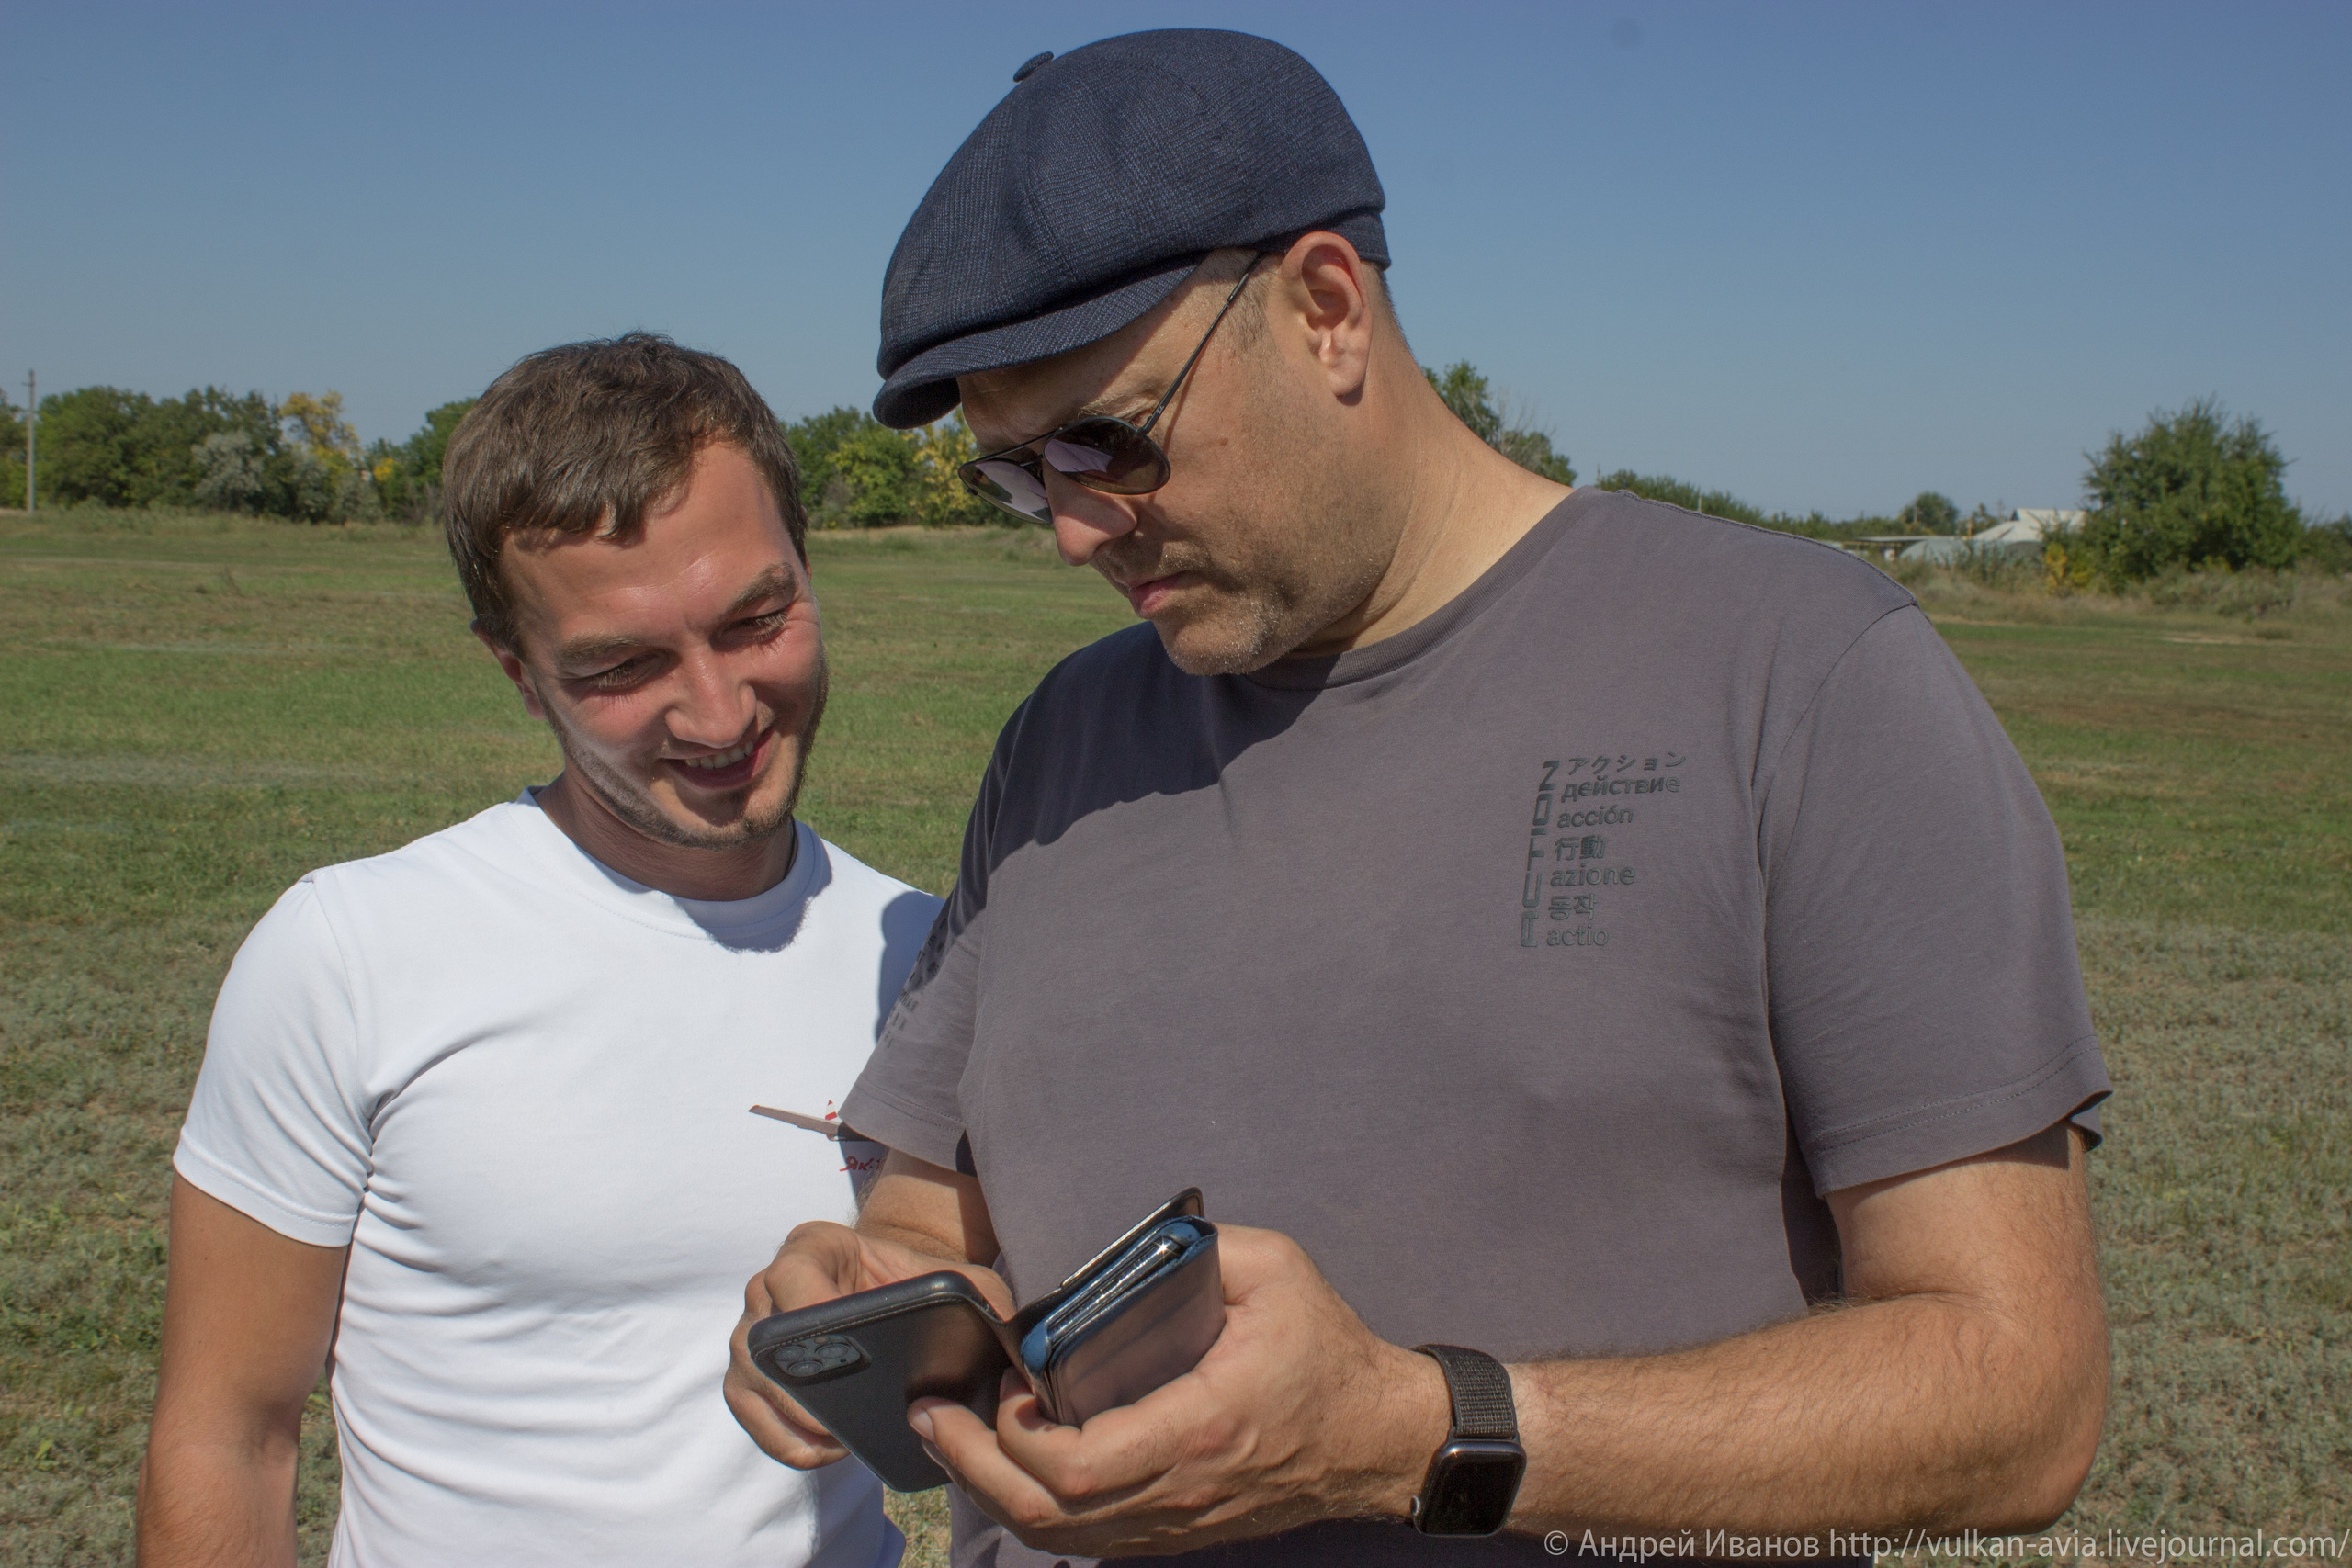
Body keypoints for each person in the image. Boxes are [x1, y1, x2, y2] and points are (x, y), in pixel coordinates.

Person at [725, 29, 2111, 1568]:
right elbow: (938, 1229)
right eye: (1019, 473)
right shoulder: (1061, 740)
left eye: (1108, 438)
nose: (1071, 528)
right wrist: (865, 1287)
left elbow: (2018, 1391)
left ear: (1326, 311)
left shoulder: (1800, 673)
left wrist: (1417, 1432)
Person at [141, 334, 933, 1567]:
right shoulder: (351, 953)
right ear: (518, 673)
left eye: (757, 619)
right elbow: (227, 1435)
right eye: (621, 667)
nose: (719, 713)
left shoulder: (930, 957)